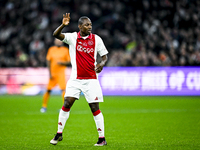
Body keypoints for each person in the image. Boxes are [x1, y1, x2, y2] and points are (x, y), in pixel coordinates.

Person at [50, 13, 108, 146]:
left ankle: (102, 138)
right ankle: (59, 133)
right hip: (75, 79)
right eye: (87, 25)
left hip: (91, 79)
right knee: (66, 103)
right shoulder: (72, 37)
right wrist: (63, 25)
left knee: (94, 107)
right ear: (80, 26)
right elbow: (56, 35)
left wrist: (101, 64)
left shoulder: (96, 39)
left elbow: (104, 56)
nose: (89, 27)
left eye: (91, 25)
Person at [40, 38, 70, 113]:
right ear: (55, 41)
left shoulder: (65, 50)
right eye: (57, 40)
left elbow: (69, 61)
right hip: (53, 73)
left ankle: (65, 108)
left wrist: (62, 63)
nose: (59, 42)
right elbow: (48, 61)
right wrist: (49, 73)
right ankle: (44, 106)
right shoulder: (51, 49)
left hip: (61, 74)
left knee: (63, 90)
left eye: (60, 40)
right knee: (48, 90)